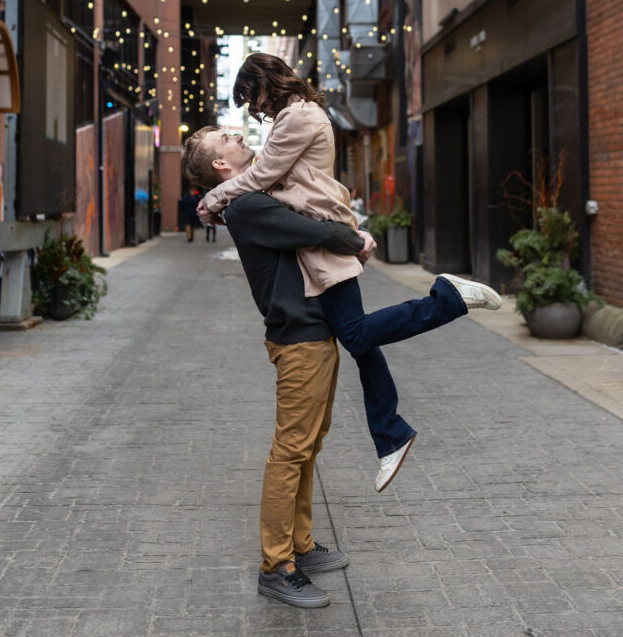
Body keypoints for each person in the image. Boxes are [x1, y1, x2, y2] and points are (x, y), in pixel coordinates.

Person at [198, 54, 503, 492]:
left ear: (266, 83)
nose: (253, 108)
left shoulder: (299, 116)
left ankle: (449, 298)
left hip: (323, 236)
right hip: (318, 239)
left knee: (357, 334)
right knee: (359, 339)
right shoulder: (290, 116)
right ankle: (390, 434)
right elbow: (268, 200)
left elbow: (264, 176)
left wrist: (215, 196)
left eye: (252, 96)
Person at [183, 128, 368, 609]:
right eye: (227, 137)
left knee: (308, 445)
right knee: (291, 451)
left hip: (313, 329)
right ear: (221, 165)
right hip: (299, 336)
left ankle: (301, 546)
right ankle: (276, 566)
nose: (239, 134)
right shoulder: (248, 207)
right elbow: (319, 230)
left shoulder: (251, 197)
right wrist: (356, 237)